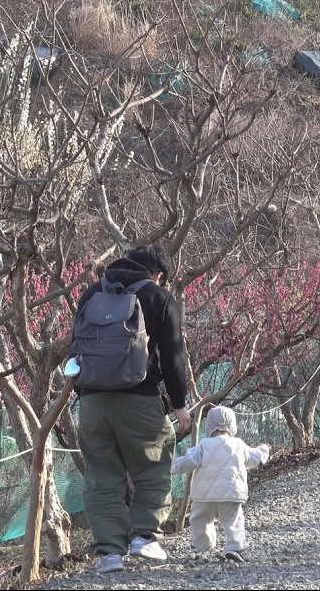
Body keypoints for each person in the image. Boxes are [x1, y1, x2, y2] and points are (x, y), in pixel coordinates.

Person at [76, 244, 192, 574]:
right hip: (139, 397)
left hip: (92, 401)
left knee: (101, 477)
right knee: (152, 465)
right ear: (157, 275)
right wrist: (179, 404)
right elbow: (173, 356)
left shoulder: (92, 293)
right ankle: (144, 537)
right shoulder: (158, 296)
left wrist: (82, 392)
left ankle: (110, 554)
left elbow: (76, 345)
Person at [171, 406, 270, 562]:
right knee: (233, 520)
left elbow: (189, 461)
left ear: (209, 426)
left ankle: (200, 546)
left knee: (200, 519)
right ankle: (234, 547)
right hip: (232, 493)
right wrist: (264, 450)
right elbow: (254, 458)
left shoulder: (203, 445)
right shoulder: (239, 444)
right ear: (232, 426)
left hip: (204, 495)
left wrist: (172, 467)